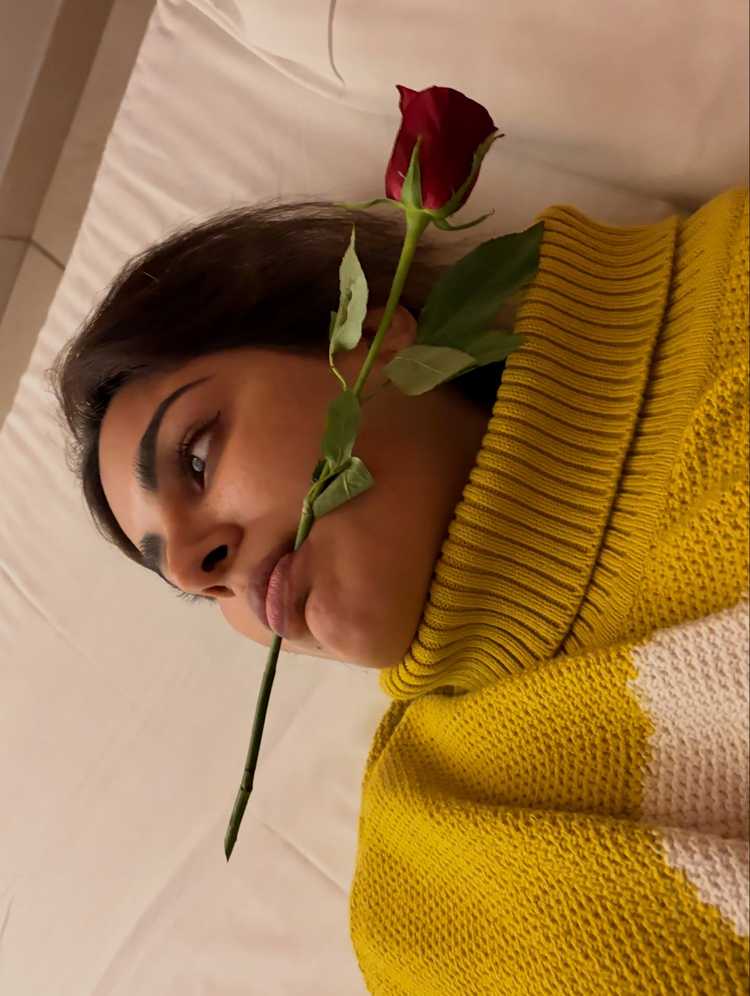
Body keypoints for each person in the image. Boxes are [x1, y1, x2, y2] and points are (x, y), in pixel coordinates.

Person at [51, 186, 749, 993]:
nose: (192, 569)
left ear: (375, 342)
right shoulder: (424, 886)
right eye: (185, 586)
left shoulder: (730, 303)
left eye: (197, 460)